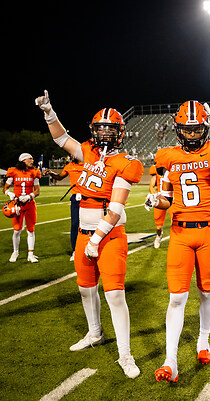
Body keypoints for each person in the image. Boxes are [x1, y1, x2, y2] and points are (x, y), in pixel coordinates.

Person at [35, 90, 143, 379]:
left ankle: (125, 354)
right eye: (100, 128)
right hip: (84, 234)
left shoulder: (126, 162)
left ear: (120, 132)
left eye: (110, 129)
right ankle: (95, 333)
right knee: (85, 289)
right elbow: (61, 138)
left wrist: (96, 239)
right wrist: (49, 112)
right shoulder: (87, 151)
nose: (104, 134)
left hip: (108, 236)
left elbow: (116, 208)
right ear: (94, 130)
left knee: (115, 295)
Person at [144, 100, 210, 383]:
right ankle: (170, 360)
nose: (193, 134)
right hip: (180, 234)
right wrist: (155, 201)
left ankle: (203, 341)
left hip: (209, 232)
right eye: (188, 130)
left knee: (206, 292)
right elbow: (167, 198)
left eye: (197, 129)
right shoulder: (167, 156)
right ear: (178, 129)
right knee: (176, 297)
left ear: (205, 129)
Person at [3, 153, 41, 263]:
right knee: (17, 230)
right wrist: (9, 193)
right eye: (30, 159)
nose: (32, 161)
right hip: (17, 205)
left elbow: (37, 191)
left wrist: (29, 196)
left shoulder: (34, 172)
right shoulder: (13, 172)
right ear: (23, 160)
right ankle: (15, 252)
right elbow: (5, 188)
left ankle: (30, 254)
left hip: (29, 204)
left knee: (31, 230)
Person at [44, 158, 84, 260]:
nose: (72, 155)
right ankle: (75, 250)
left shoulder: (89, 163)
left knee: (92, 223)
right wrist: (52, 173)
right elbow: (60, 177)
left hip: (90, 197)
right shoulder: (70, 166)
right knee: (75, 224)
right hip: (76, 198)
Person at [148, 163, 168, 248]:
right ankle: (159, 235)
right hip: (160, 198)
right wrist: (154, 195)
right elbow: (151, 186)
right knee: (158, 227)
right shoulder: (156, 168)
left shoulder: (173, 167)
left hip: (172, 197)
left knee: (175, 222)